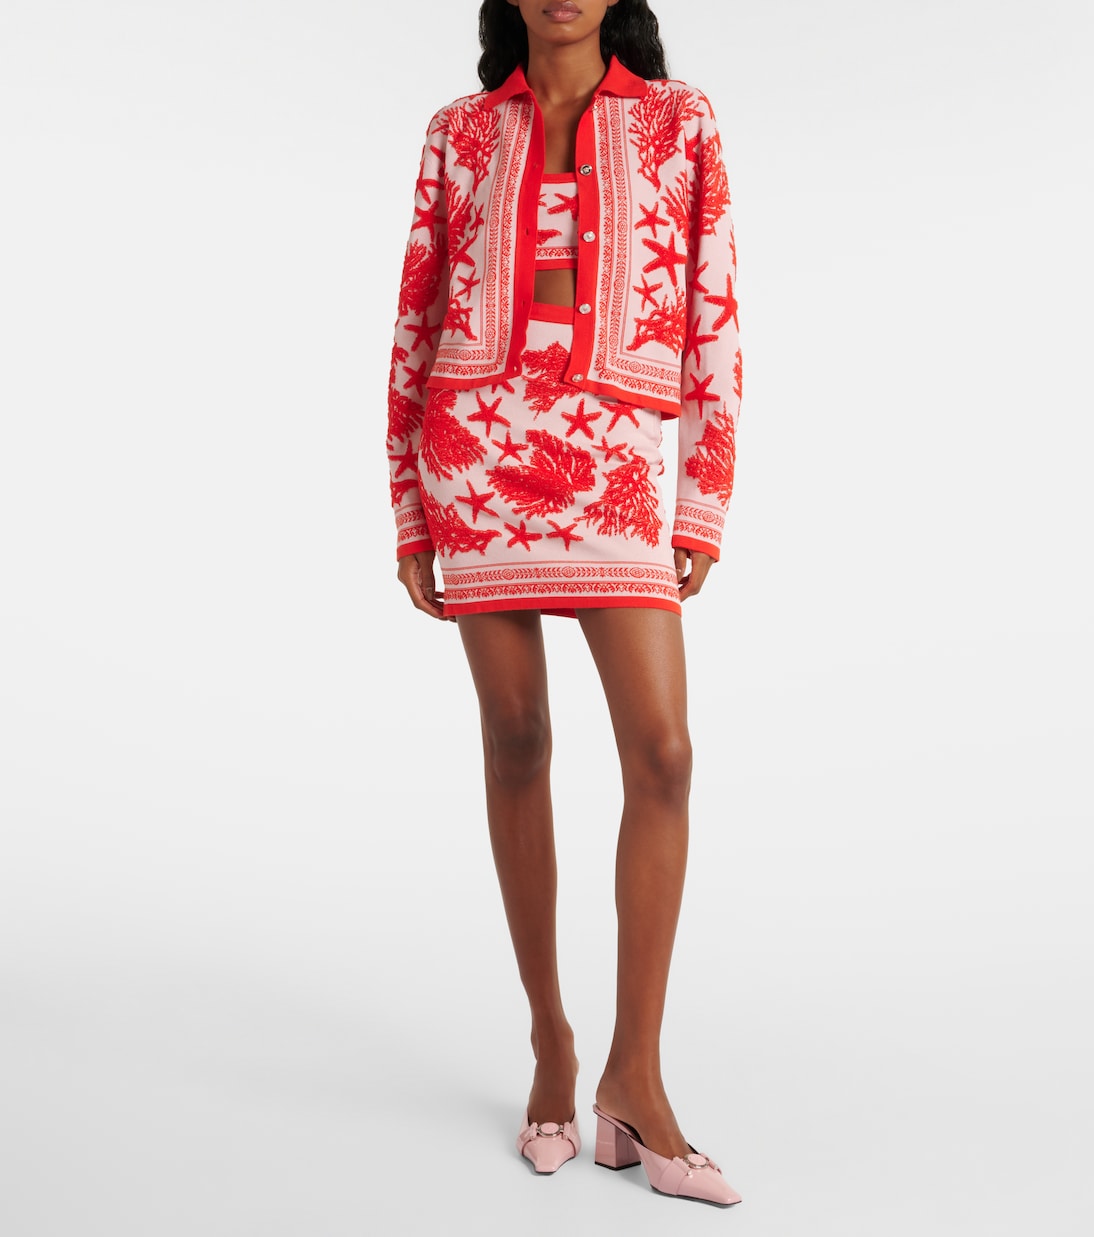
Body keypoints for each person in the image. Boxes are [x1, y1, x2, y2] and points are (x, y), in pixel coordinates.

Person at [385, 0, 742, 1207]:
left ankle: (634, 1073)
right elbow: (414, 319)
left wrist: (700, 495)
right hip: (476, 452)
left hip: (617, 459)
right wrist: (407, 507)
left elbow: (714, 311)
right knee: (517, 737)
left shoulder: (681, 122)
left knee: (663, 752)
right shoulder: (456, 132)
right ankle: (551, 1042)